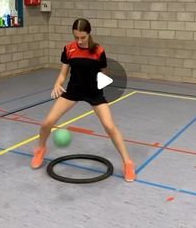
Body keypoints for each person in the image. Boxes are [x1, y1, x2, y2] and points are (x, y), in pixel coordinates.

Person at [31, 18, 136, 182]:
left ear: (89, 34)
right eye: (76, 37)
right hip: (73, 91)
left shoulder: (98, 51)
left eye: (83, 37)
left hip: (94, 93)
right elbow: (63, 73)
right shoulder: (68, 49)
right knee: (47, 123)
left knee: (109, 127)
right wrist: (57, 85)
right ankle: (40, 149)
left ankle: (128, 163)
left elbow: (105, 73)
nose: (79, 41)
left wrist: (103, 81)